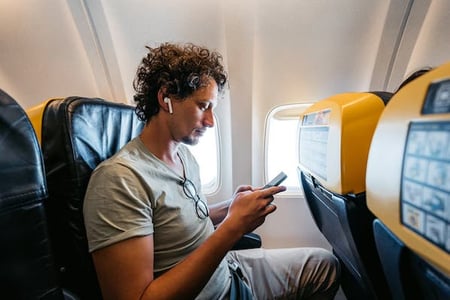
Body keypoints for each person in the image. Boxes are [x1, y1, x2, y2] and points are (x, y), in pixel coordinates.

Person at [83, 42, 340, 300]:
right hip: (212, 292)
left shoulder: (184, 156)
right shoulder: (120, 180)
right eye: (202, 106)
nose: (211, 121)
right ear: (165, 98)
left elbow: (183, 221)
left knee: (324, 265)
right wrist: (232, 228)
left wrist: (232, 207)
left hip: (229, 270)